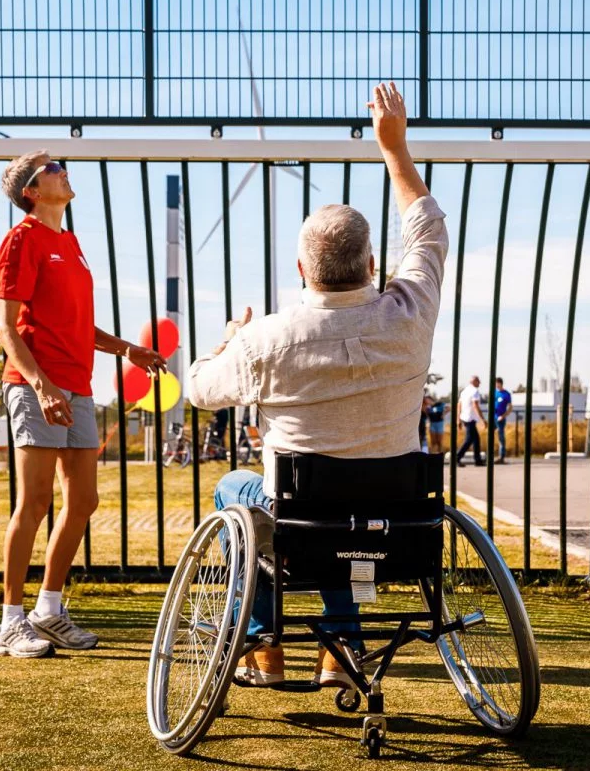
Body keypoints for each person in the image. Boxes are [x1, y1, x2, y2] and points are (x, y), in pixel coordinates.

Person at [188, 81, 446, 687]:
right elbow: (428, 229)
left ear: (301, 269)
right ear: (373, 264)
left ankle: (260, 643)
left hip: (300, 518)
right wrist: (394, 148)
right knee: (340, 500)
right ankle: (341, 647)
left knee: (236, 489)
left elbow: (199, 391)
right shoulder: (411, 314)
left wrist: (229, 339)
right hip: (396, 516)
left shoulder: (265, 341)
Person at [0, 152, 169, 660]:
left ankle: (49, 610)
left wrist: (126, 349)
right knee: (35, 503)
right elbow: (7, 328)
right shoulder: (21, 238)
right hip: (36, 386)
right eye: (52, 167)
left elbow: (74, 326)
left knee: (84, 501)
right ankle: (9, 621)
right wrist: (41, 386)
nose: (63, 169)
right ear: (30, 189)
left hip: (79, 386)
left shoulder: (70, 244)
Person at [455, 375, 486, 467]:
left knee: (476, 439)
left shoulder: (464, 391)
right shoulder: (475, 391)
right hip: (470, 419)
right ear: (474, 382)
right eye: (478, 381)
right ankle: (456, 458)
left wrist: (458, 419)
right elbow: (475, 405)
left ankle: (478, 460)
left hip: (465, 418)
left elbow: (459, 405)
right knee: (469, 440)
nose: (480, 383)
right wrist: (483, 419)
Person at [490, 377, 513, 464]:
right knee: (490, 436)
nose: (496, 385)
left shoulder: (506, 394)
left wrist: (503, 416)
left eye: (496, 383)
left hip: (500, 418)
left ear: (500, 383)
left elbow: (510, 407)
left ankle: (501, 457)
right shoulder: (494, 393)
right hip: (493, 417)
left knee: (501, 437)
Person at [425, 389, 449, 454]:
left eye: (428, 400)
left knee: (439, 441)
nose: (427, 401)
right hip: (432, 424)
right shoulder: (428, 407)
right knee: (433, 442)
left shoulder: (439, 404)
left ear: (431, 399)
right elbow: (426, 414)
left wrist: (444, 414)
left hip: (439, 423)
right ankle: (431, 455)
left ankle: (440, 455)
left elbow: (448, 408)